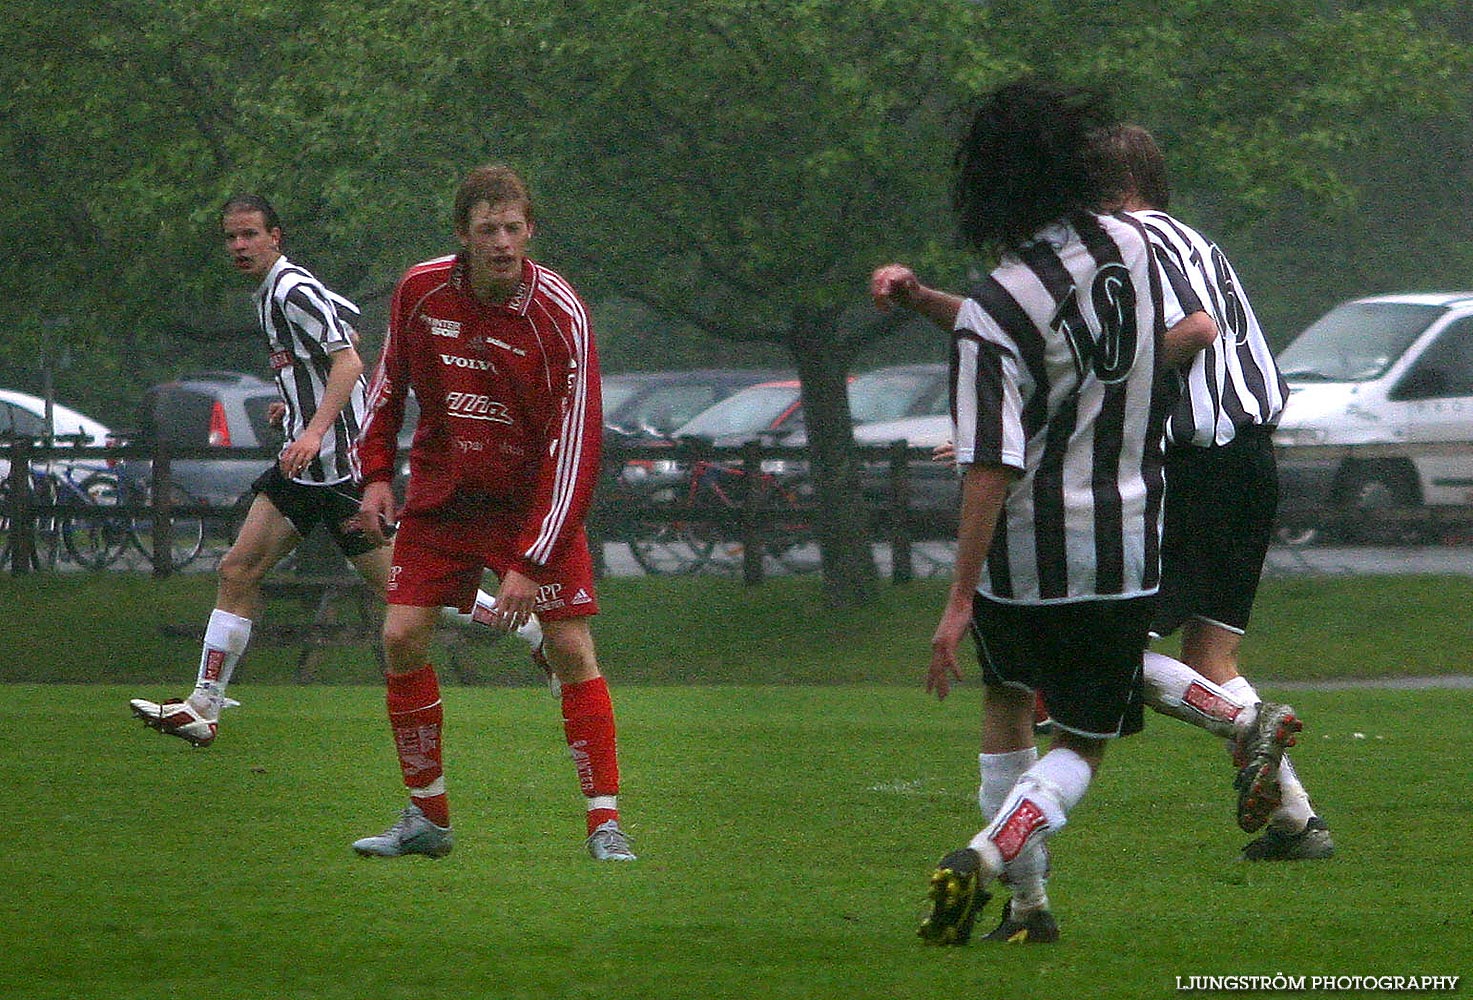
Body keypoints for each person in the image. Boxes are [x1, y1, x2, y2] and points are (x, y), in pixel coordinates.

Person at [871, 78, 1223, 945]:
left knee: (1004, 703)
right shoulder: (1136, 250)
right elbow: (1178, 337)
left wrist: (956, 599)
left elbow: (990, 462)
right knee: (1081, 741)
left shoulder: (998, 300)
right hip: (1124, 542)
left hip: (1021, 559)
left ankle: (1023, 900)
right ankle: (999, 866)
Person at [128, 194, 539, 749]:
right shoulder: (276, 291)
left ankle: (532, 629)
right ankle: (204, 706)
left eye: (251, 235)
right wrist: (294, 406)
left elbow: (349, 359)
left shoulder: (291, 288)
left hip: (339, 468)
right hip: (304, 473)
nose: (240, 246)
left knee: (411, 592)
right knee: (238, 569)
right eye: (231, 237)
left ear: (277, 236)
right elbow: (339, 331)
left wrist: (317, 428)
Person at [349, 164, 634, 862]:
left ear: (530, 229)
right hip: (446, 500)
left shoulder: (561, 314)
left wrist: (531, 561)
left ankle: (604, 824)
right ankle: (427, 819)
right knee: (400, 636)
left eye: (512, 228)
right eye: (487, 230)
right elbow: (388, 386)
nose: (501, 241)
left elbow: (578, 447)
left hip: (534, 505)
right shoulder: (419, 290)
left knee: (568, 647)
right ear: (462, 236)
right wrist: (378, 474)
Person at [1092, 124, 1332, 861]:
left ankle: (1241, 729)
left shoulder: (1128, 239)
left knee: (1098, 645)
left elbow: (1192, 329)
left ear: (1112, 183)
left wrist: (1101, 381)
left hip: (1196, 465)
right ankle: (1297, 822)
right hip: (1250, 459)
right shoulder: (1192, 239)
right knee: (1208, 655)